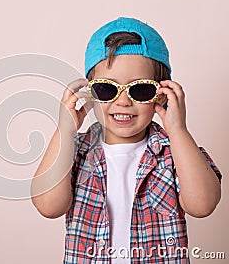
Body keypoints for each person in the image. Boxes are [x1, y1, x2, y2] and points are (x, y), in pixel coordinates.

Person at [30, 17, 222, 263]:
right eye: (107, 89)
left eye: (140, 89)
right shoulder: (75, 151)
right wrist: (65, 130)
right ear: (90, 93)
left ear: (161, 95)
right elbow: (49, 206)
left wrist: (178, 131)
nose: (123, 101)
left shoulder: (175, 152)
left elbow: (202, 205)